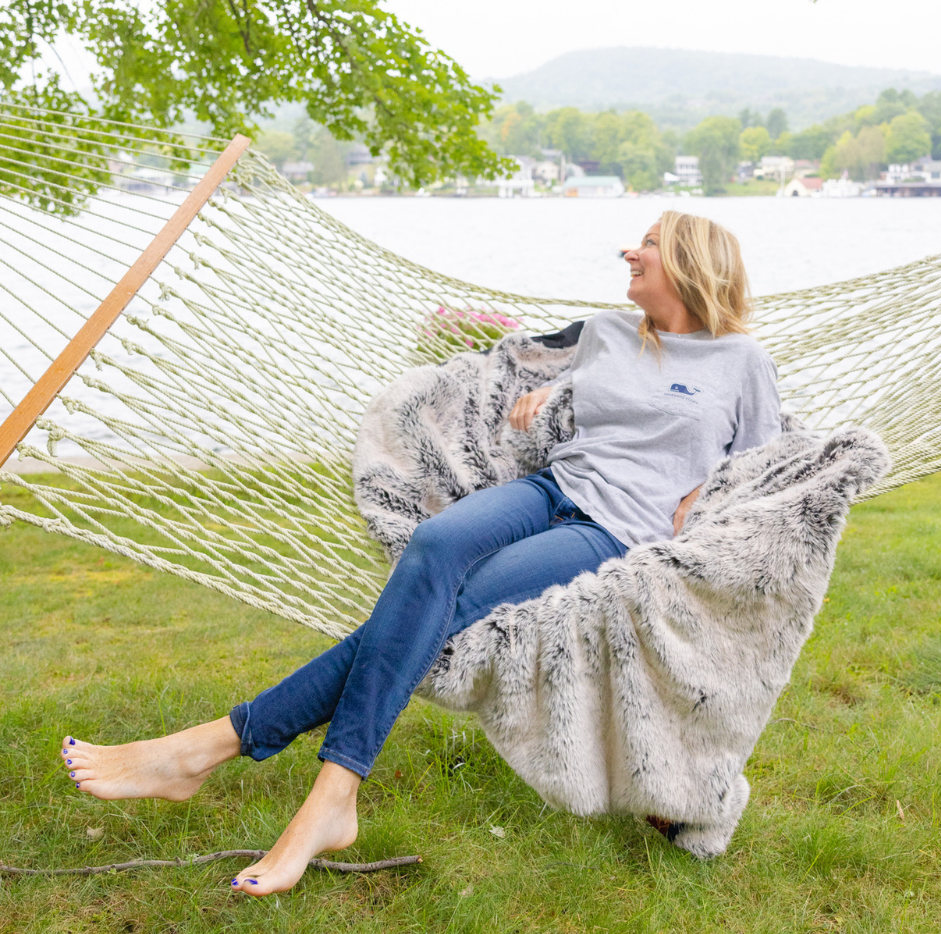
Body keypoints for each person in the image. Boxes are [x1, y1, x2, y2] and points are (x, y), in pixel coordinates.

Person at [58, 210, 782, 896]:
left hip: (614, 532)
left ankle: (284, 777)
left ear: (690, 261)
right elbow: (528, 366)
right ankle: (229, 762)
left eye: (649, 242)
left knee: (454, 612)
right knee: (433, 546)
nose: (630, 251)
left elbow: (768, 472)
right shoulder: (606, 333)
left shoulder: (742, 361)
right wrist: (554, 388)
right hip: (553, 487)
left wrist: (702, 498)